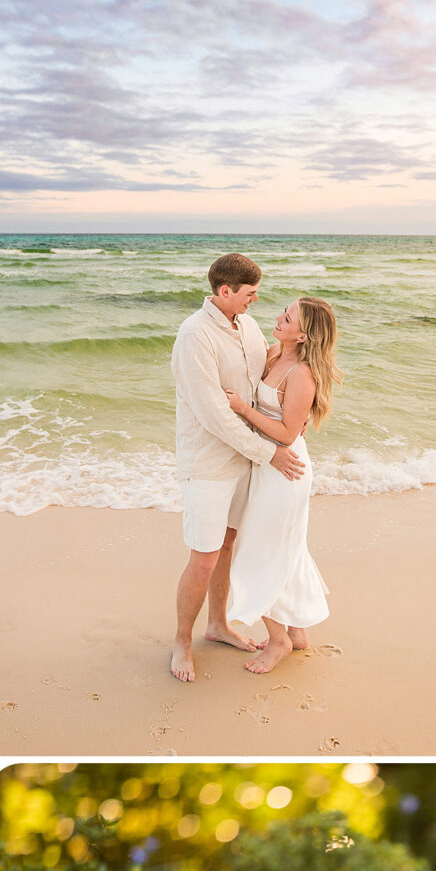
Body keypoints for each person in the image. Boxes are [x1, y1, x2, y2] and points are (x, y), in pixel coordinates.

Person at [168, 253, 305, 684]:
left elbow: (264, 381)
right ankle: (182, 642)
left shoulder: (247, 326)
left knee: (229, 547)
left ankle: (218, 624)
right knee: (205, 557)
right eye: (249, 294)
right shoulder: (194, 336)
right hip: (208, 463)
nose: (256, 301)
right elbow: (215, 413)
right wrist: (271, 453)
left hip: (247, 460)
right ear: (224, 292)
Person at [224, 295, 339, 674]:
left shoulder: (301, 375)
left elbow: (288, 435)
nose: (278, 317)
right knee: (286, 550)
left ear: (304, 335)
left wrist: (243, 408)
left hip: (285, 470)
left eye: (287, 317)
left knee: (258, 553)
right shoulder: (275, 353)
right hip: (268, 467)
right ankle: (298, 631)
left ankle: (278, 641)